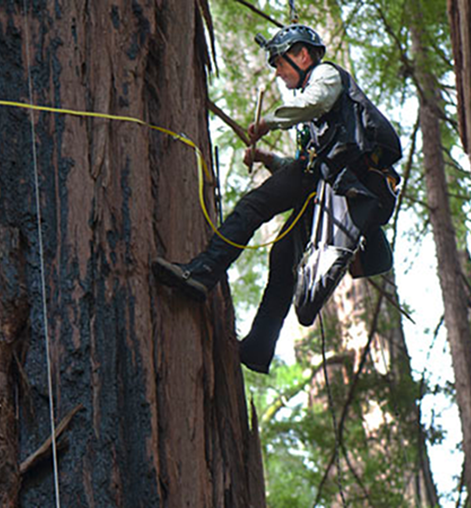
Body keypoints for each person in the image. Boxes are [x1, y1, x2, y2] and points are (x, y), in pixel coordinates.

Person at [152, 25, 400, 374]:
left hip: (331, 182)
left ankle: (202, 271)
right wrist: (268, 159)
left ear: (302, 55)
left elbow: (316, 103)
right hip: (327, 183)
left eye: (281, 64)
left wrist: (269, 121)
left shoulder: (326, 75)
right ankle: (257, 348)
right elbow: (310, 160)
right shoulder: (319, 118)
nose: (280, 74)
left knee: (254, 206)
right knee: (282, 256)